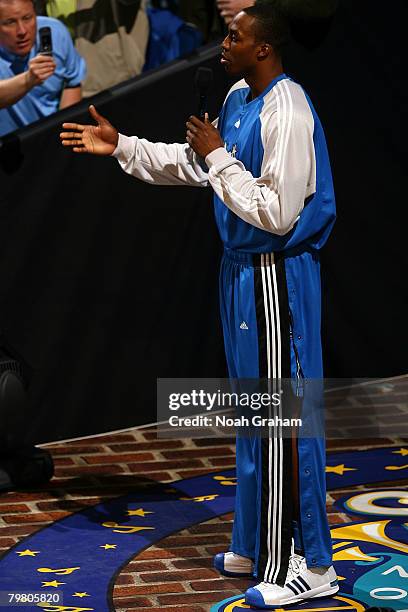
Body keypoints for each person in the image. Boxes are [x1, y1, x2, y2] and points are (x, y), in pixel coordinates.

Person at [59, 2, 337, 608]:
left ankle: (307, 562)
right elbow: (202, 167)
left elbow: (278, 210)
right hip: (239, 270)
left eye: (234, 35)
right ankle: (258, 539)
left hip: (275, 273)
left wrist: (215, 155)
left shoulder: (286, 108)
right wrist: (124, 147)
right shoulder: (239, 95)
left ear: (263, 47)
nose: (223, 41)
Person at [0, 0, 85, 137]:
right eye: (10, 22)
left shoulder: (56, 32)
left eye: (27, 18)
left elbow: (72, 82)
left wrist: (64, 129)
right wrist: (28, 80)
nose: (22, 31)